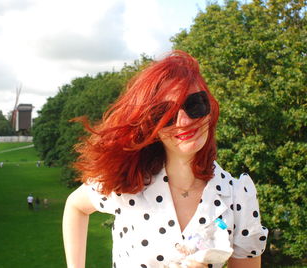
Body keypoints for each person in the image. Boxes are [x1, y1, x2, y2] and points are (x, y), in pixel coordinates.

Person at [62, 51, 268, 268]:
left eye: (194, 104)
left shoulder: (237, 196)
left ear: (209, 109)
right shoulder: (127, 181)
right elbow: (75, 206)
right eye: (165, 114)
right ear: (152, 125)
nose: (184, 121)